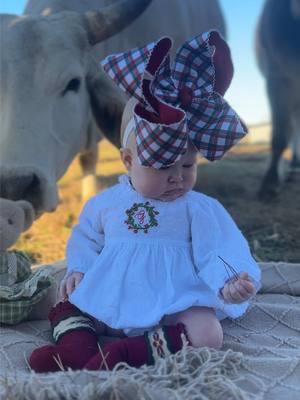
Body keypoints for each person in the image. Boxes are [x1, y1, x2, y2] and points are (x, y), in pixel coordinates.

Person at [29, 31, 261, 373]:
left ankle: (128, 352)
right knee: (64, 300)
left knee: (208, 331)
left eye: (188, 165)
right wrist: (79, 268)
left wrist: (228, 285)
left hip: (175, 299)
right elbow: (87, 237)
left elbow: (219, 248)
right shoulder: (105, 203)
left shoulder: (197, 207)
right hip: (114, 292)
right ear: (127, 161)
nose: (177, 177)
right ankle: (76, 349)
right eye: (163, 166)